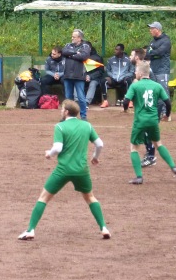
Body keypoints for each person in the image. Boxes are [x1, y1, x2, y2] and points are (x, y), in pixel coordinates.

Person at [18, 99, 110, 241]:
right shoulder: (87, 125)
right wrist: (95, 157)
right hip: (81, 170)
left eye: (62, 109)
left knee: (43, 197)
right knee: (90, 197)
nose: (61, 111)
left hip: (63, 170)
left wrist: (49, 153)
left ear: (66, 112)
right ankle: (104, 227)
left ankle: (30, 230)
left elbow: (58, 148)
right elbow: (100, 144)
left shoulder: (60, 127)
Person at [122, 62, 176, 185]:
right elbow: (168, 103)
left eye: (136, 71)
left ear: (140, 73)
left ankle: (139, 177)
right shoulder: (157, 86)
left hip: (140, 120)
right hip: (153, 120)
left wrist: (126, 109)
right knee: (158, 144)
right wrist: (167, 115)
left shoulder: (135, 86)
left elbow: (126, 101)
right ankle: (173, 167)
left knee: (134, 148)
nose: (135, 73)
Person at [62, 29, 91, 120]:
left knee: (81, 98)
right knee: (68, 98)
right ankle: (67, 116)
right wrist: (75, 53)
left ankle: (83, 116)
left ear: (79, 38)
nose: (72, 38)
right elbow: (64, 52)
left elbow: (84, 56)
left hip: (79, 76)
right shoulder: (68, 45)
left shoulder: (85, 46)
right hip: (67, 75)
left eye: (74, 37)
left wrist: (70, 55)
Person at [100, 44, 135, 108]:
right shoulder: (111, 60)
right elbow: (108, 70)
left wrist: (124, 76)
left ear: (121, 51)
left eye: (117, 49)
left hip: (123, 79)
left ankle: (129, 101)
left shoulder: (128, 60)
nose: (114, 51)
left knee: (128, 80)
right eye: (115, 49)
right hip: (113, 79)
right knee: (104, 81)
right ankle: (105, 101)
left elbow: (132, 72)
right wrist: (112, 75)